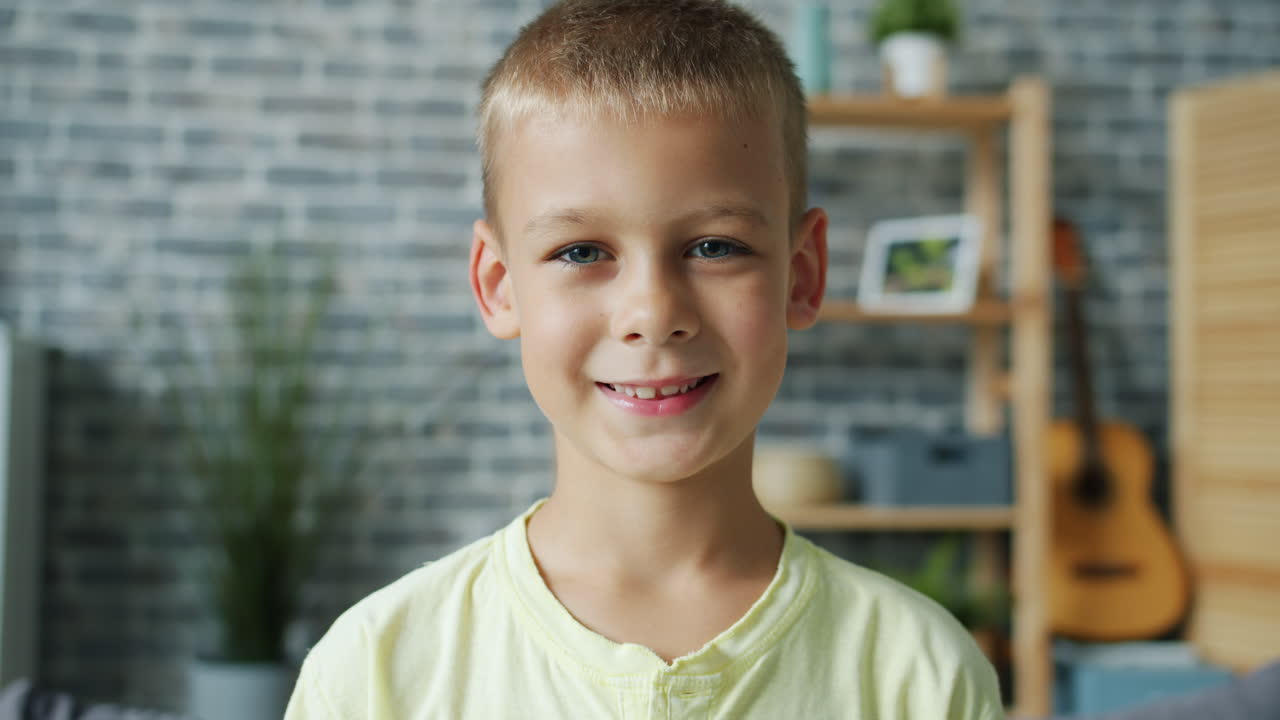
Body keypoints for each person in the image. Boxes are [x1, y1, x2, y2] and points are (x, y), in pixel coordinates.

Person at [284, 1, 1003, 717]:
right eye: (582, 252)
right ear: (499, 287)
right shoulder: (374, 673)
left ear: (803, 273)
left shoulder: (923, 676)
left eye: (715, 247)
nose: (654, 314)